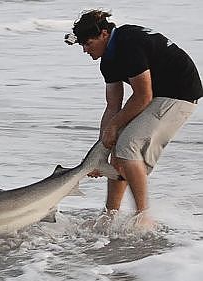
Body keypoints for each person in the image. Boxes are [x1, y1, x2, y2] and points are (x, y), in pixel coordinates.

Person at [65, 9, 202, 228]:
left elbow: (143, 96)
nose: (85, 50)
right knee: (117, 147)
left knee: (128, 144)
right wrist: (100, 153)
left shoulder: (128, 44)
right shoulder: (107, 61)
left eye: (88, 44)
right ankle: (109, 215)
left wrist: (115, 128)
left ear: (103, 34)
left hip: (180, 94)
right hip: (158, 95)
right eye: (82, 45)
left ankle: (143, 216)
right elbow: (112, 106)